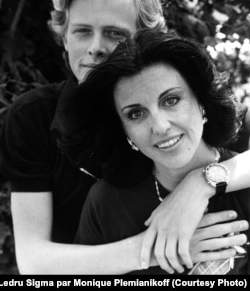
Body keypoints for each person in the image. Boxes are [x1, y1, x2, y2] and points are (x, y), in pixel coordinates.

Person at [0, 0, 249, 274]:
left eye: (114, 34)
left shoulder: (191, 107)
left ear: (144, 39)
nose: (95, 48)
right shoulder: (32, 117)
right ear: (64, 39)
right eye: (82, 32)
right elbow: (34, 263)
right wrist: (160, 245)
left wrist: (200, 185)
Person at [73, 29, 250, 274]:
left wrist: (198, 185)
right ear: (124, 131)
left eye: (171, 100)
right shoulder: (107, 203)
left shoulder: (245, 186)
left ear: (202, 103)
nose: (160, 126)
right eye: (136, 114)